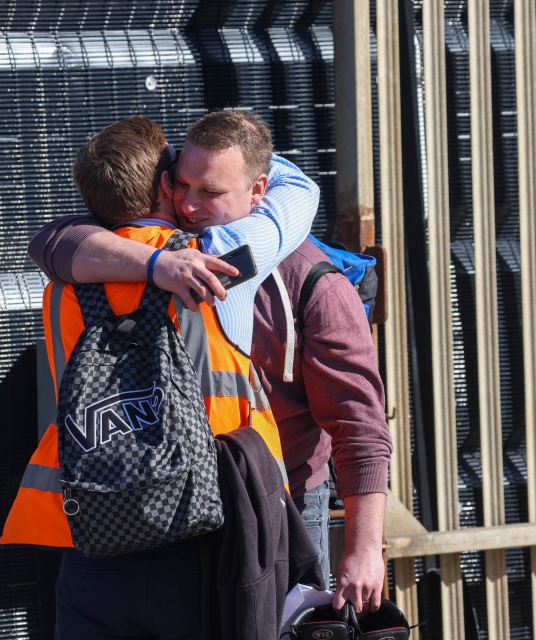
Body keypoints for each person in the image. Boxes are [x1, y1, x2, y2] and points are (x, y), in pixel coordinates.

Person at [27, 109, 394, 614]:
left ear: (260, 189)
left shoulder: (286, 274)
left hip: (273, 498)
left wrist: (365, 547)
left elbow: (360, 422)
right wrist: (156, 263)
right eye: (181, 184)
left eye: (212, 192)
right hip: (172, 499)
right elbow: (53, 239)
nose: (191, 204)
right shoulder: (162, 253)